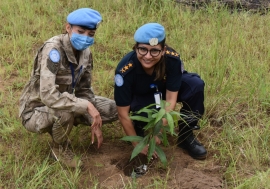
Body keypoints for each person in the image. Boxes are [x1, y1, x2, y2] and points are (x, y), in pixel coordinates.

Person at [19, 8, 118, 168]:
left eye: (91, 34)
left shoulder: (86, 53)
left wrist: (94, 116)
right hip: (36, 110)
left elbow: (84, 90)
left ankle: (66, 122)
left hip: (65, 100)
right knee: (66, 113)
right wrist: (85, 106)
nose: (85, 37)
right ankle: (60, 148)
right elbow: (48, 95)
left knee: (114, 109)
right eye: (80, 31)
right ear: (68, 28)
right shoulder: (53, 50)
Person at [114, 23, 207, 160]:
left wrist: (158, 130)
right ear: (135, 48)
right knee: (145, 114)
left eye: (154, 51)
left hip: (162, 89)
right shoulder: (125, 70)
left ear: (163, 50)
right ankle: (141, 128)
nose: (148, 56)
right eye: (143, 50)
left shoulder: (172, 59)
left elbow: (170, 100)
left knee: (195, 86)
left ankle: (186, 136)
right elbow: (123, 113)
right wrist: (137, 144)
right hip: (142, 94)